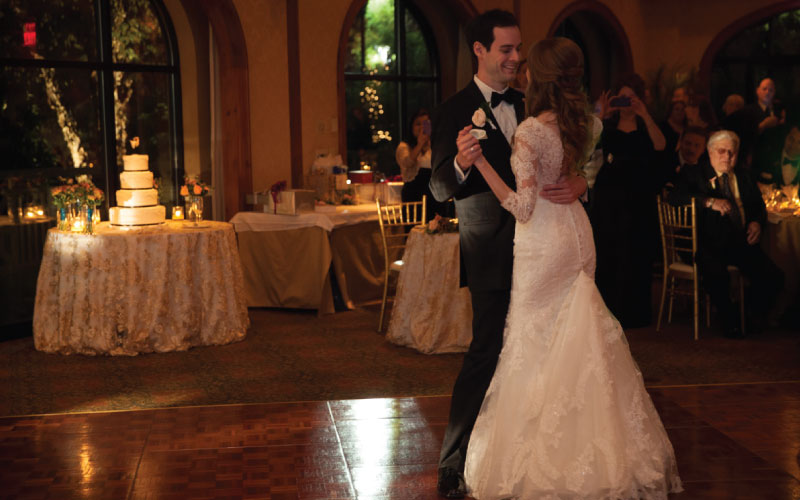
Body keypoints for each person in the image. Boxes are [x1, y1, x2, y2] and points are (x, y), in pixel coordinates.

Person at [461, 36, 682, 499]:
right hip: (578, 235)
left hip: (543, 241)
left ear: (534, 76)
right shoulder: (586, 123)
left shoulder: (529, 131)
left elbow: (521, 206)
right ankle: (600, 448)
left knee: (535, 339)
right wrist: (581, 181)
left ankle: (551, 454)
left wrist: (480, 163)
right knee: (579, 336)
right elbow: (594, 158)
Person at [429, 10, 588, 498]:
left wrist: (585, 181)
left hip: (544, 249)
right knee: (487, 351)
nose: (516, 58)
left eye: (519, 49)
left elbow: (580, 151)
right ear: (479, 50)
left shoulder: (533, 102)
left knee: (547, 351)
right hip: (493, 250)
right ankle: (454, 461)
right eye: (506, 50)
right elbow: (436, 190)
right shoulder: (453, 110)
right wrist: (458, 162)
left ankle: (539, 455)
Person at [671, 130, 783, 338]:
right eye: (722, 151)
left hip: (739, 242)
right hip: (704, 242)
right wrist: (709, 202)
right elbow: (677, 197)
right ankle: (730, 320)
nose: (727, 157)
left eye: (732, 152)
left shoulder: (744, 175)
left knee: (773, 276)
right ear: (710, 151)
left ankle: (749, 314)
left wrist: (757, 222)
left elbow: (759, 206)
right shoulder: (694, 172)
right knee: (716, 272)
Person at [591, 73, 666, 328]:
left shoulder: (647, 126)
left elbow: (660, 146)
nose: (627, 103)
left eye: (631, 98)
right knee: (610, 252)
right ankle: (609, 311)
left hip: (639, 197)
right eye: (622, 98)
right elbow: (587, 149)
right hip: (610, 197)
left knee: (637, 252)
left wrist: (644, 114)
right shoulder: (607, 127)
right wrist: (600, 115)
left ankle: (635, 313)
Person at [395, 108, 446, 220]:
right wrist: (420, 144)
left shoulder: (435, 145)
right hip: (414, 192)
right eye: (418, 124)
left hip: (434, 192)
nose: (422, 127)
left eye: (426, 124)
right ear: (411, 127)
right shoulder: (404, 146)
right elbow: (407, 162)